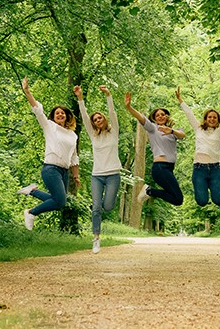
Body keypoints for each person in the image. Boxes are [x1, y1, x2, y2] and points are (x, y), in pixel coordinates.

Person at [17, 76, 80, 231]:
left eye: (63, 113)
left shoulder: (73, 135)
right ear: (53, 116)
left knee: (59, 202)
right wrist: (27, 92)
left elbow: (74, 157)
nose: (60, 115)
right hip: (51, 169)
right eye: (57, 113)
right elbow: (38, 110)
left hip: (64, 172)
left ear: (67, 117)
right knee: (59, 201)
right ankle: (31, 212)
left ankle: (32, 191)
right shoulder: (49, 126)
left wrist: (76, 176)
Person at [74, 84, 121, 254]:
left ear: (104, 119)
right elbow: (85, 117)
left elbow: (113, 113)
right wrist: (80, 98)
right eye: (95, 120)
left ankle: (103, 207)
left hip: (113, 175)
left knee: (107, 206)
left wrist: (108, 95)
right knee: (96, 207)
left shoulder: (113, 131)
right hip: (97, 176)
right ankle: (96, 238)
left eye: (99, 118)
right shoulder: (93, 136)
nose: (97, 121)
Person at [175, 86, 220, 207]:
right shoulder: (198, 129)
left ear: (218, 120)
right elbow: (189, 114)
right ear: (206, 119)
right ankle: (202, 190)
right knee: (201, 201)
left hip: (215, 169)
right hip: (199, 169)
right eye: (209, 117)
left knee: (219, 201)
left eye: (214, 117)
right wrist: (180, 100)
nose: (212, 119)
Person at [124, 92, 186, 206]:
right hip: (160, 168)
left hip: (169, 169)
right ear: (154, 119)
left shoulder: (173, 131)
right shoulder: (153, 128)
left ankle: (150, 191)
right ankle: (149, 191)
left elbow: (182, 135)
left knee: (177, 199)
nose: (160, 116)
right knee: (178, 199)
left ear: (166, 116)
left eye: (163, 114)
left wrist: (171, 130)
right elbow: (141, 118)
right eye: (157, 115)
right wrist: (129, 107)